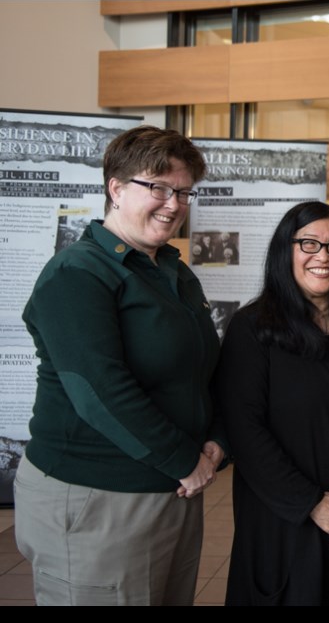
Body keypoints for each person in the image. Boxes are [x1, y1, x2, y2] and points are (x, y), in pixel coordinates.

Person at [15, 125, 225, 605]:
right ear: (115, 187)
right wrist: (184, 460)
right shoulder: (77, 273)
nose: (174, 203)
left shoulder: (172, 271)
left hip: (171, 490)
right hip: (96, 496)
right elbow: (98, 391)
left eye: (184, 191)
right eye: (158, 187)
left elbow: (198, 370)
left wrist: (216, 442)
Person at [213, 201, 329, 605]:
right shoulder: (252, 329)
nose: (322, 257)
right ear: (284, 251)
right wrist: (310, 503)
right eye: (308, 243)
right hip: (283, 522)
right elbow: (244, 430)